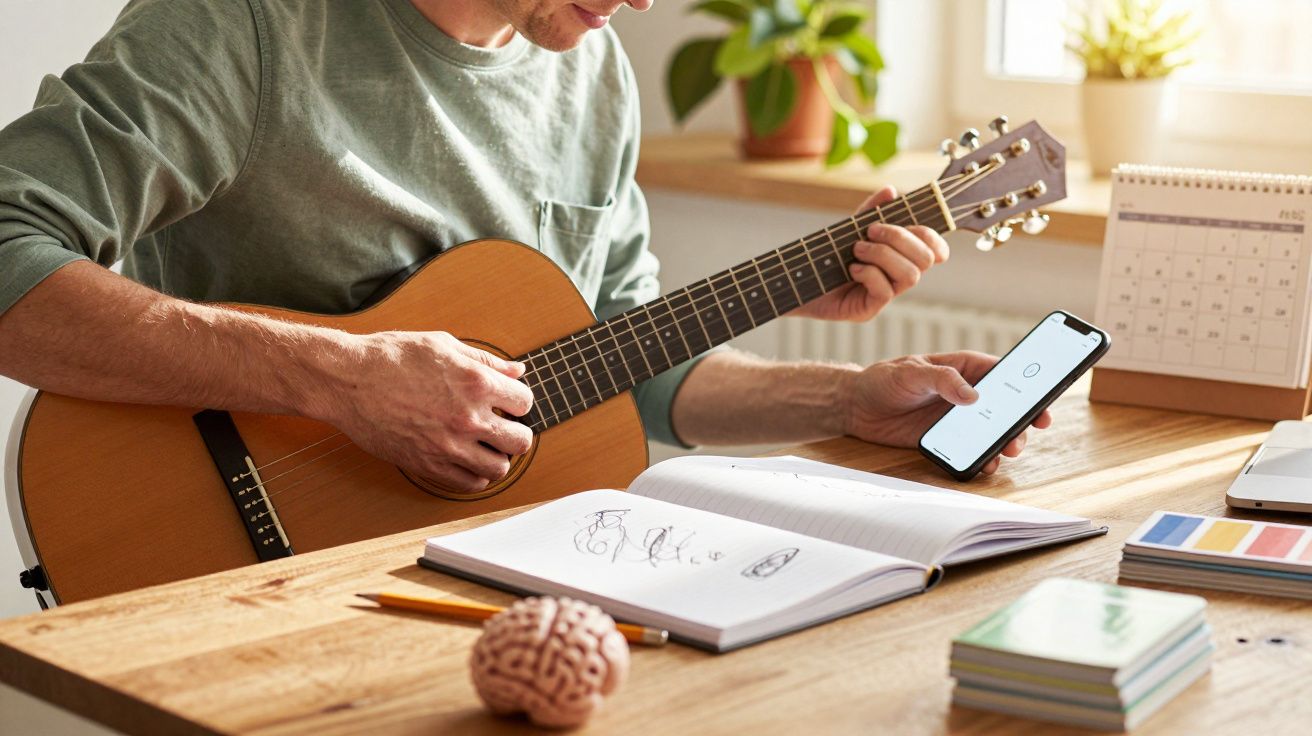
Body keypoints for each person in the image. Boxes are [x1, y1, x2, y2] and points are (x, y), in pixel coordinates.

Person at [0, 0, 1048, 494]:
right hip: (218, 563)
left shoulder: (591, 75)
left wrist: (839, 400)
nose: (639, 3)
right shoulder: (244, 28)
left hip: (466, 584)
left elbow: (615, 365)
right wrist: (344, 376)